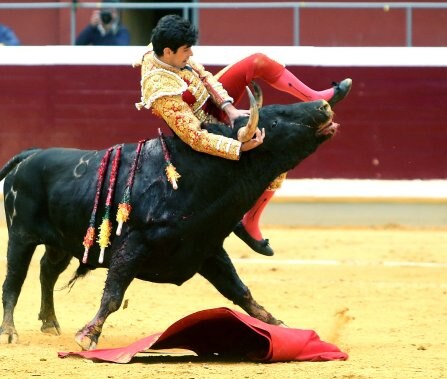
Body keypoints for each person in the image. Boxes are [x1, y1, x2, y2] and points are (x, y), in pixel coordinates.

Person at [134, 15, 352, 256]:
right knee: (275, 154)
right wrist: (238, 147)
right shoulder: (159, 88)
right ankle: (251, 222)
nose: (192, 55)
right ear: (168, 51)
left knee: (256, 62)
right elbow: (194, 137)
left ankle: (316, 96)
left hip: (212, 106)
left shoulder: (164, 51)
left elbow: (205, 77)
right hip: (204, 131)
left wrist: (229, 108)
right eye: (187, 50)